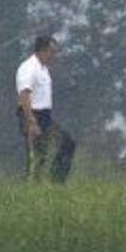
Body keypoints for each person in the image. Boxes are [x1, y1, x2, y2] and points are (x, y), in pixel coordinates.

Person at [13, 34, 75, 183]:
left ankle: (56, 181)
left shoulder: (44, 69)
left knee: (67, 142)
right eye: (51, 51)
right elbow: (24, 95)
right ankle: (31, 186)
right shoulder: (28, 68)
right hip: (32, 115)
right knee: (37, 155)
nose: (53, 55)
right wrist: (31, 122)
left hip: (45, 116)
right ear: (42, 50)